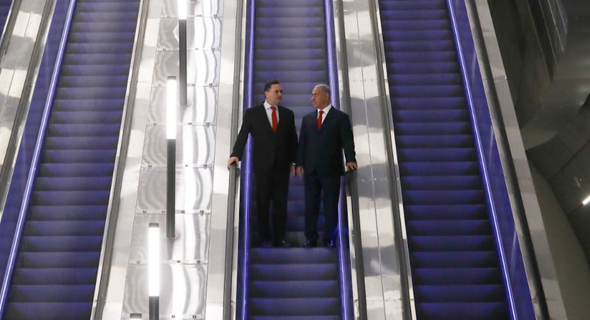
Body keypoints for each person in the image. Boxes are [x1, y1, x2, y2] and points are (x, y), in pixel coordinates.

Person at [228, 80, 298, 248]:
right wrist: (236, 155)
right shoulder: (253, 113)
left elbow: (293, 141)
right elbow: (243, 135)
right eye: (276, 91)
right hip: (262, 167)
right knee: (262, 203)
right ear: (266, 93)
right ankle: (264, 237)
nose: (280, 95)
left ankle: (279, 238)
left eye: (281, 92)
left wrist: (296, 161)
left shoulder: (288, 114)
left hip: (282, 166)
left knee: (280, 204)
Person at [296, 84, 357, 248]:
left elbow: (347, 141)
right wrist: (299, 163)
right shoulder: (308, 119)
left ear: (326, 96)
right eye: (312, 95)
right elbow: (302, 143)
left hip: (331, 170)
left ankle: (329, 238)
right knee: (311, 206)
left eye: (315, 95)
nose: (312, 98)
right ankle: (310, 237)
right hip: (311, 170)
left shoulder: (340, 118)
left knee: (330, 207)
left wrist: (351, 158)